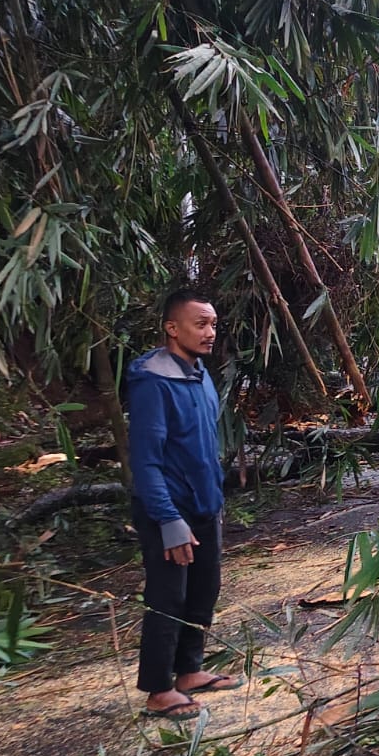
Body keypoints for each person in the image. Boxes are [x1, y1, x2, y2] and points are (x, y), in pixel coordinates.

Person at [126, 289, 243, 720]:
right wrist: (167, 519)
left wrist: (213, 498)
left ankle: (189, 670)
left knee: (204, 589)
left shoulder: (199, 374)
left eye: (213, 324)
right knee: (167, 596)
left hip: (203, 504)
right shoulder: (151, 380)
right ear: (172, 328)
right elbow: (146, 458)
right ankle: (158, 687)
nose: (210, 332)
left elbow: (203, 444)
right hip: (168, 509)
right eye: (201, 324)